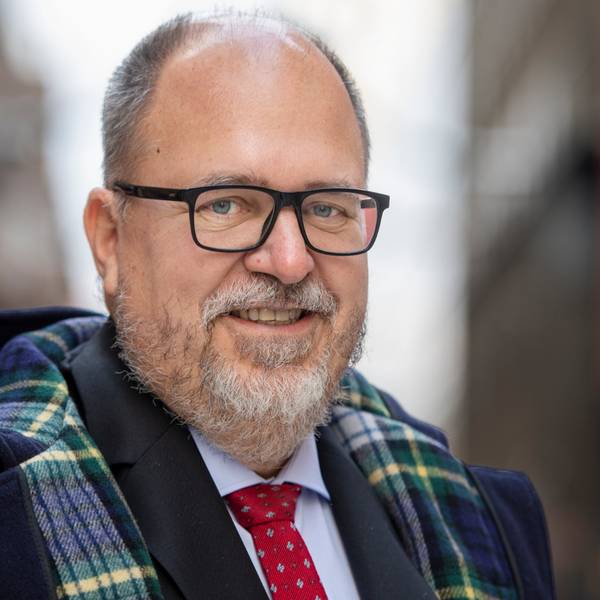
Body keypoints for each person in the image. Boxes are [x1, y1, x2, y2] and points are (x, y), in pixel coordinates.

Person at [0, 12, 554, 600]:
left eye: (327, 208)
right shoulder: (16, 524)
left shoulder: (488, 530)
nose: (290, 262)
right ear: (110, 239)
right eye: (225, 204)